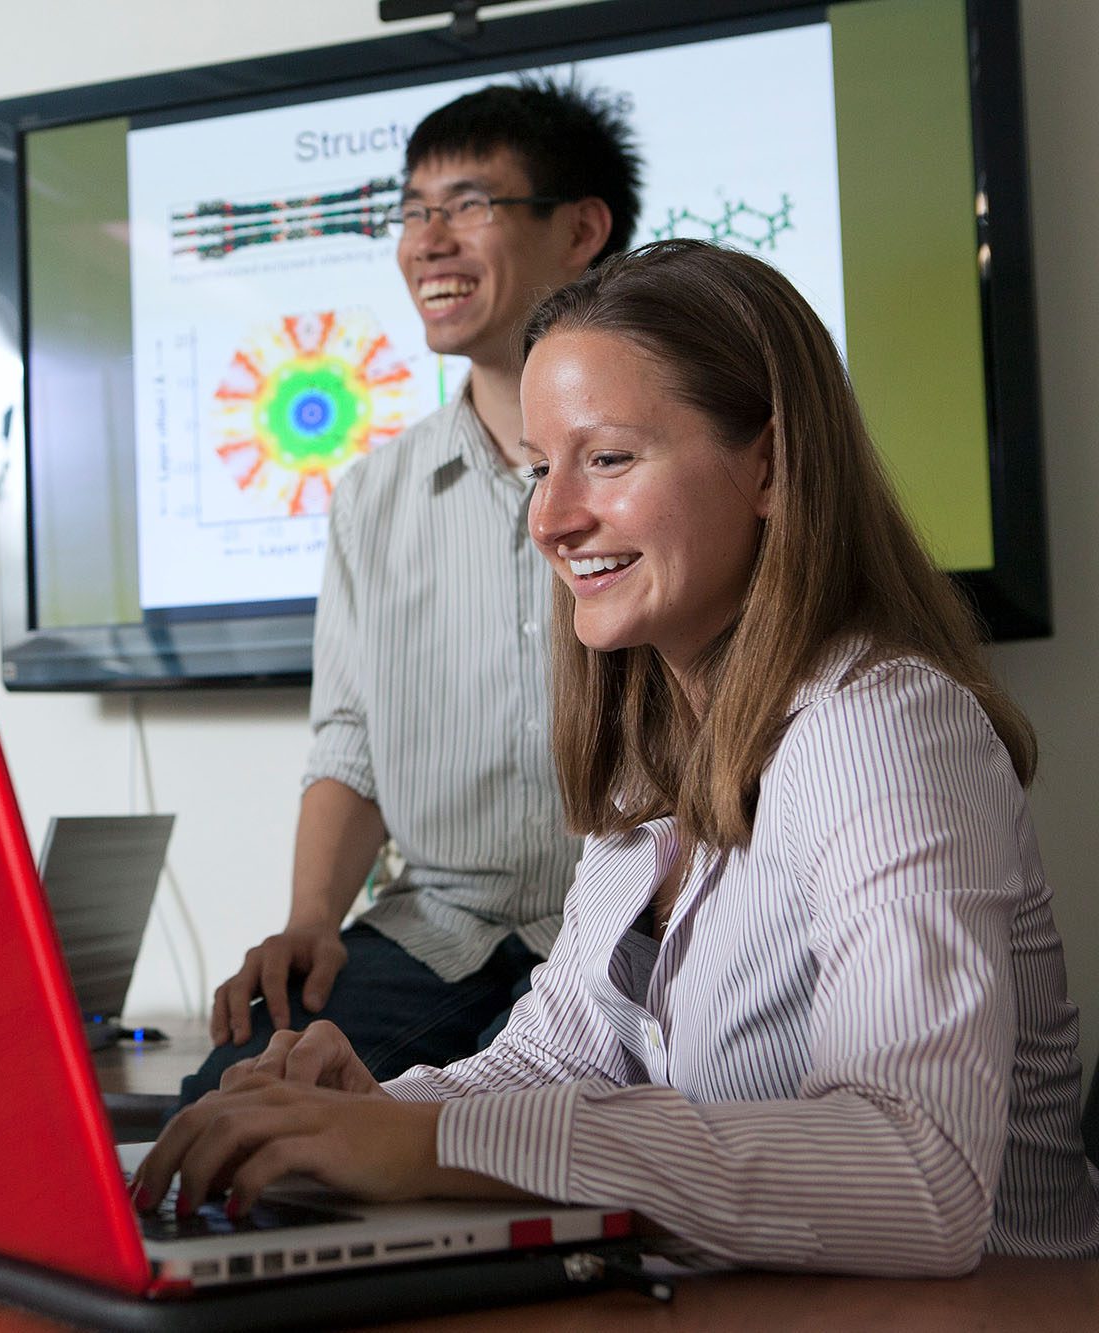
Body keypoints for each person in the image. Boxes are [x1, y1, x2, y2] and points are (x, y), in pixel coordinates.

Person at [134, 239, 1099, 1274]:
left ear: (767, 466)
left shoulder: (877, 729)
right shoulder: (657, 758)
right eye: (539, 468)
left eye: (606, 458)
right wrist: (365, 1113)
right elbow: (558, 1055)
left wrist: (427, 1142)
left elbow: (918, 1177)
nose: (549, 520)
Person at [180, 80, 641, 1105]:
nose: (426, 240)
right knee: (236, 1108)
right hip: (433, 929)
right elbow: (346, 736)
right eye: (410, 211)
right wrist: (307, 921)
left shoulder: (663, 468)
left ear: (579, 230)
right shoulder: (372, 497)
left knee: (568, 1137)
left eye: (469, 204)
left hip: (633, 924)